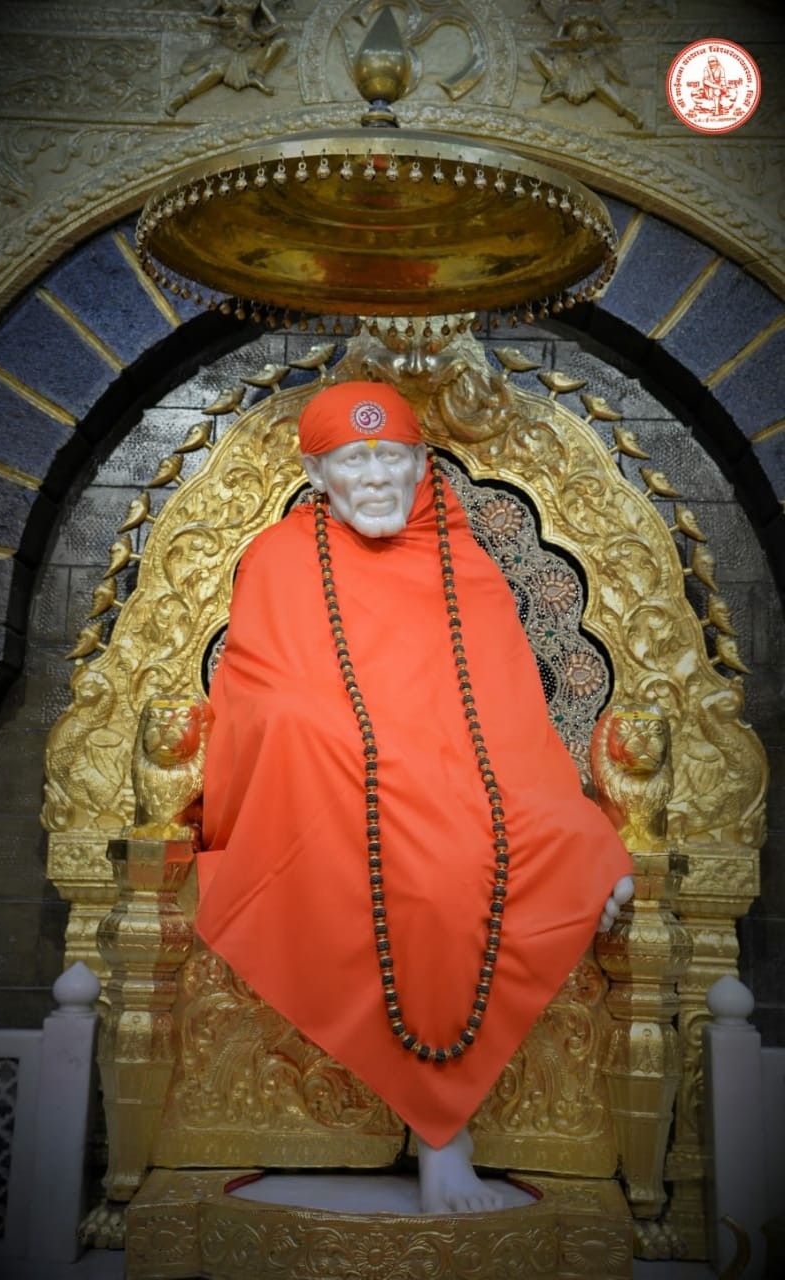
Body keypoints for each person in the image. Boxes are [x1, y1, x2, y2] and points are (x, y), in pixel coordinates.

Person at [196, 380, 634, 1213]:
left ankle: (443, 1134)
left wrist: (576, 820)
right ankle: (443, 1137)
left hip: (466, 782)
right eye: (351, 461)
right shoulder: (280, 558)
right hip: (327, 790)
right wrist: (344, 741)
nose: (373, 478)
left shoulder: (463, 563)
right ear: (315, 471)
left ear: (422, 463)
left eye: (389, 457)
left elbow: (511, 717)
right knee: (407, 857)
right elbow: (257, 696)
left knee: (550, 845)